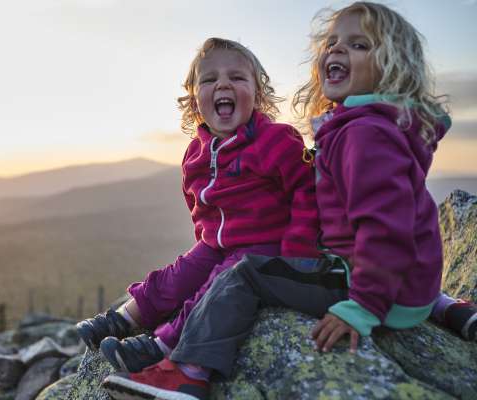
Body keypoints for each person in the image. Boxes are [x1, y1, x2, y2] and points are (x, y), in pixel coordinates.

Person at [102, 3, 477, 399]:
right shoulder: (368, 124)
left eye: (358, 44)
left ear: (392, 66)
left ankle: (187, 373)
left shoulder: (365, 135)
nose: (336, 50)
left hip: (369, 292)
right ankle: (444, 306)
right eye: (331, 42)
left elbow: (385, 231)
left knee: (244, 274)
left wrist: (361, 307)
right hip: (410, 286)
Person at [75, 37, 320, 373]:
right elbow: (197, 201)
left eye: (237, 78)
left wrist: (297, 253)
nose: (222, 83)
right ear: (194, 102)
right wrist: (204, 245)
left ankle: (162, 343)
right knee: (177, 274)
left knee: (217, 285)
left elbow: (307, 192)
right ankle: (123, 318)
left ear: (258, 96)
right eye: (209, 79)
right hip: (215, 243)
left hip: (265, 246)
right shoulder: (196, 153)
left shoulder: (276, 140)